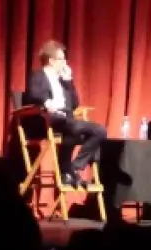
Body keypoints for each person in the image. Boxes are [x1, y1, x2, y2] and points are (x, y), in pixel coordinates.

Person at [25, 40, 107, 187]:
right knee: (75, 130)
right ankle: (67, 171)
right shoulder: (38, 75)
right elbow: (33, 94)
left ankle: (73, 167)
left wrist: (69, 81)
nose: (65, 63)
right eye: (62, 59)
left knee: (99, 131)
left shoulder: (62, 80)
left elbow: (75, 104)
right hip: (48, 119)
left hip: (67, 120)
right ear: (51, 61)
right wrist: (47, 102)